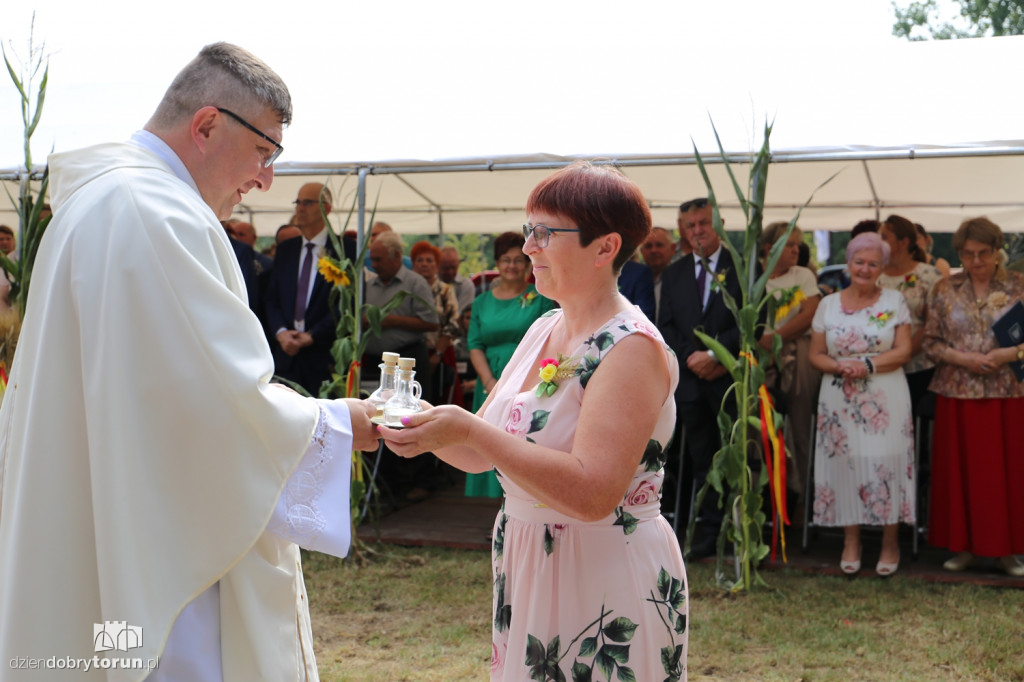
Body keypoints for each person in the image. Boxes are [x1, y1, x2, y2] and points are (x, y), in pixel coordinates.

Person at [0, 43, 380, 681]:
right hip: (166, 556)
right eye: (264, 152)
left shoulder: (99, 201)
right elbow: (222, 407)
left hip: (116, 505)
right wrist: (338, 424)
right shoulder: (158, 214)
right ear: (205, 126)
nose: (266, 180)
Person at [379, 162, 687, 681]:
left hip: (602, 571)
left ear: (605, 247)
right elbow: (482, 452)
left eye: (544, 233)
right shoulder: (545, 326)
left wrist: (470, 429)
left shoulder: (630, 347)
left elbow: (593, 493)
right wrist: (422, 427)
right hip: (530, 563)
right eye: (528, 231)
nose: (528, 248)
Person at [922, 217, 1024, 577]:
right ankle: (962, 546)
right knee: (959, 473)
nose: (976, 260)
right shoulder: (943, 289)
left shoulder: (1019, 285)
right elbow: (929, 342)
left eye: (983, 253)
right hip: (957, 390)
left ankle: (1008, 551)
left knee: (1006, 475)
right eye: (968, 254)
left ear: (997, 251)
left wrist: (1009, 355)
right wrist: (962, 358)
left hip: (1009, 391)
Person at [808, 232, 914, 577]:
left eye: (873, 263)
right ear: (849, 263)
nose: (865, 269)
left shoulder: (895, 301)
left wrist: (867, 365)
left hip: (885, 394)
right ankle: (850, 541)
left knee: (888, 462)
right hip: (839, 395)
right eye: (859, 262)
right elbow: (816, 355)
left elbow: (903, 351)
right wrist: (840, 366)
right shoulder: (827, 304)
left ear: (882, 268)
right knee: (845, 463)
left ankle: (889, 542)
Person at [658, 197, 746, 559]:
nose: (698, 231)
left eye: (704, 223)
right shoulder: (675, 273)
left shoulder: (743, 267)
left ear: (720, 224)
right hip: (691, 384)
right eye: (690, 225)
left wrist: (716, 355)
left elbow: (750, 322)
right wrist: (692, 359)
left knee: (735, 457)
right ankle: (708, 534)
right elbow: (665, 326)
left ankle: (739, 530)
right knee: (702, 460)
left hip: (730, 382)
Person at [464, 231, 556, 497]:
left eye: (518, 259)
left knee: (519, 442)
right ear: (497, 263)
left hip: (528, 378)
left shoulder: (540, 298)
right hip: (488, 379)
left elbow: (548, 340)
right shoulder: (481, 301)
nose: (512, 266)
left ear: (528, 263)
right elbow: (475, 344)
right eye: (506, 259)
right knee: (489, 439)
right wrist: (491, 383)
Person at [264, 182, 354, 396]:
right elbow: (271, 299)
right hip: (286, 358)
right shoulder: (286, 250)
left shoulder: (345, 249)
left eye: (307, 203)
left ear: (327, 208)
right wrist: (281, 333)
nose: (300, 208)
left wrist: (313, 335)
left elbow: (349, 304)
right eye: (298, 202)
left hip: (324, 359)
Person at [758, 222, 821, 516]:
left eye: (798, 245)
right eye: (790, 245)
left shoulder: (803, 275)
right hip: (760, 362)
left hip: (797, 359)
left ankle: (802, 497)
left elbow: (811, 313)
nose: (797, 250)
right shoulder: (751, 277)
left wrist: (775, 339)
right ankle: (766, 497)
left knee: (799, 427)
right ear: (770, 249)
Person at [877, 215, 943, 414]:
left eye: (884, 237)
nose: (878, 243)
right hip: (878, 368)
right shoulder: (874, 274)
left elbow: (933, 323)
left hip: (917, 370)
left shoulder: (929, 276)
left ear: (903, 242)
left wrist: (902, 354)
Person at [410, 239, 462, 402]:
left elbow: (452, 324)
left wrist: (437, 354)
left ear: (436, 265)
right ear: (413, 264)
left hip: (441, 352)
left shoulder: (445, 290)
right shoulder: (407, 289)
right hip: (412, 354)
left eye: (429, 260)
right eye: (420, 260)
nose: (424, 264)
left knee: (442, 400)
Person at [640, 226, 675, 320]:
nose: (653, 250)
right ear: (641, 251)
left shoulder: (682, 279)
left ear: (673, 248)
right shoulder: (636, 280)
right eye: (648, 246)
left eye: (659, 245)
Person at [440, 244, 477, 312]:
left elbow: (462, 314)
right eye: (446, 268)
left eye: (453, 267)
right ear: (438, 265)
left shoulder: (466, 286)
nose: (450, 272)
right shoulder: (430, 284)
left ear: (458, 264)